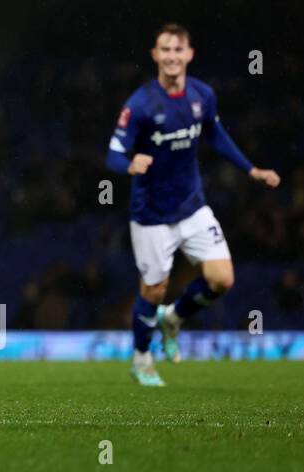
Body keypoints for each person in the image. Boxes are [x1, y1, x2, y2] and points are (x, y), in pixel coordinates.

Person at [106, 23, 279, 386]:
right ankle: (141, 359)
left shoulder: (202, 96)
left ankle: (175, 317)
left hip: (192, 207)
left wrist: (251, 170)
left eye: (177, 49)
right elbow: (113, 153)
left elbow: (215, 134)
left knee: (222, 279)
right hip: (151, 215)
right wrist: (129, 164)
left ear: (189, 54)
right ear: (155, 55)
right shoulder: (140, 104)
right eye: (164, 50)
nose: (171, 56)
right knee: (153, 290)